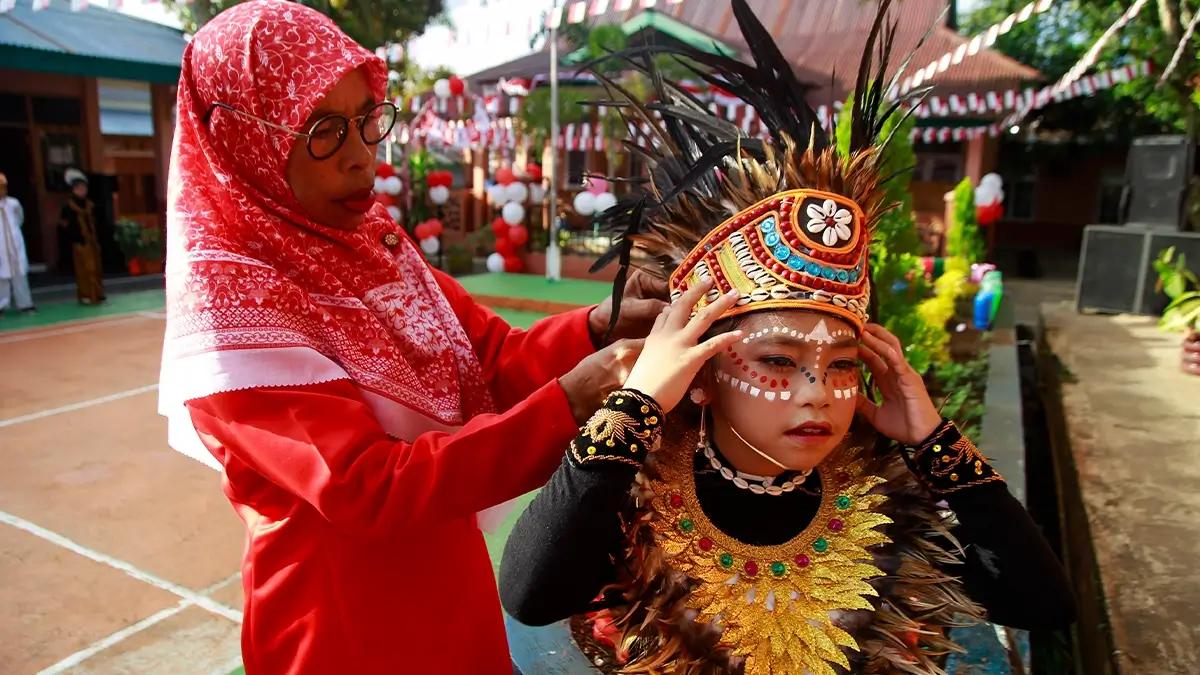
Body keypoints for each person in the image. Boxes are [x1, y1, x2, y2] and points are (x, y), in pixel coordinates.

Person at [498, 2, 1075, 673]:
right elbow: (530, 592)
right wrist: (637, 402)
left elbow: (1042, 602)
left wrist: (932, 439)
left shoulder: (883, 492)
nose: (819, 393)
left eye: (840, 365)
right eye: (778, 358)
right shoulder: (636, 492)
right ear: (703, 374)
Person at [157, 2, 665, 673]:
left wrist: (596, 326)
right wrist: (573, 401)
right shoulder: (231, 310)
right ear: (239, 138)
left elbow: (493, 361)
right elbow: (368, 487)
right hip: (341, 625)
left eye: (367, 120)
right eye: (322, 130)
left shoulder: (375, 245)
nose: (360, 156)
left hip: (448, 583)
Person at [59, 168, 105, 305]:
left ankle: (97, 293)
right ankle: (87, 295)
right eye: (79, 188)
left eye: (84, 188)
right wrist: (76, 239)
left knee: (96, 268)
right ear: (73, 189)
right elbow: (65, 226)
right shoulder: (68, 207)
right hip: (79, 242)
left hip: (92, 242)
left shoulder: (90, 205)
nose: (82, 191)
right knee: (85, 270)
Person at [0, 172, 35, 315]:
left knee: (20, 275)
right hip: (1, 247)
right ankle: (1, 305)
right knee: (1, 278)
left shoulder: (14, 203)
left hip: (15, 244)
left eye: (2, 187)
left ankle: (25, 304)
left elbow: (19, 219)